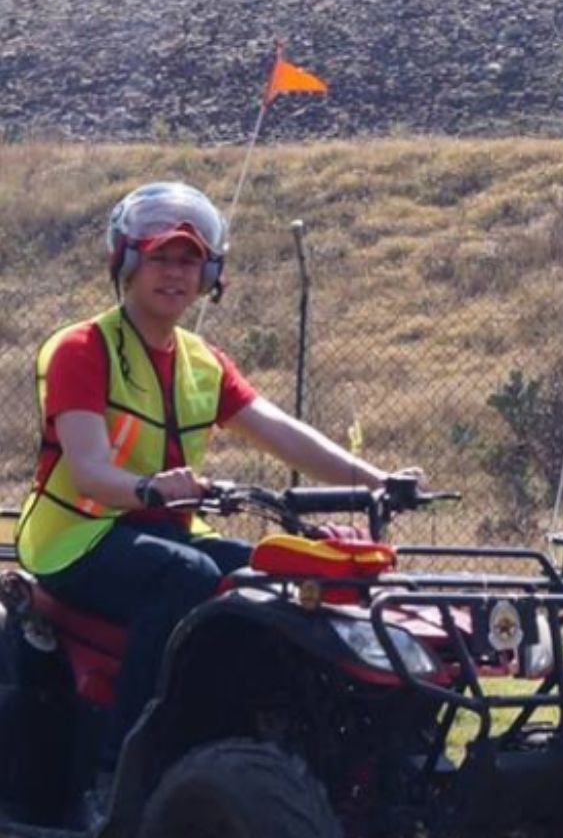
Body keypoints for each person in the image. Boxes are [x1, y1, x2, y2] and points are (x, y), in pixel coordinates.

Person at [15, 181, 408, 793]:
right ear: (126, 262)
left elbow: (282, 432)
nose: (175, 273)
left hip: (167, 532)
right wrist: (150, 489)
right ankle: (118, 772)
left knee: (273, 575)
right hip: (77, 540)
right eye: (160, 257)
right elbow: (89, 469)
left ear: (210, 274)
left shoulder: (203, 360)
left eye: (190, 260)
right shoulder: (83, 348)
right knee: (187, 576)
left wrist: (378, 482)